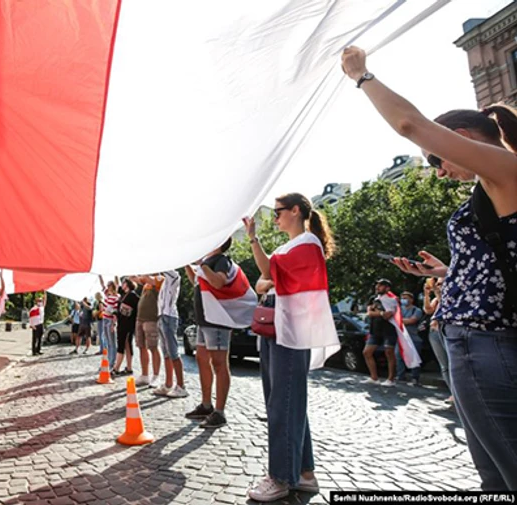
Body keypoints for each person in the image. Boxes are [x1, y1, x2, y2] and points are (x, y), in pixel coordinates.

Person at [343, 46, 516, 489]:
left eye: (436, 158)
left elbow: (410, 124)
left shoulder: (506, 169)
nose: (438, 172)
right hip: (474, 341)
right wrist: (444, 273)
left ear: (460, 136)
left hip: (486, 342)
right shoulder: (492, 183)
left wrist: (362, 76)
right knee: (493, 477)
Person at [242, 193, 339, 501]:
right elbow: (265, 276)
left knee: (282, 404)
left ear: (296, 211)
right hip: (279, 329)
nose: (276, 217)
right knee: (286, 401)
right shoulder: (292, 246)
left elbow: (269, 275)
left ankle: (281, 477)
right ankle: (305, 474)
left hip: (290, 332)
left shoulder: (308, 243)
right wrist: (257, 249)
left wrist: (264, 274)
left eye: (279, 212)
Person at [184, 237, 255, 427]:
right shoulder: (207, 264)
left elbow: (218, 282)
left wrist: (201, 265)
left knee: (219, 363)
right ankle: (206, 405)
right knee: (202, 359)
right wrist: (188, 265)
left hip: (216, 321)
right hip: (204, 321)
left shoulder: (221, 260)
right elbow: (196, 282)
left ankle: (219, 411)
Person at [364, 279, 399, 387]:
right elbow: (369, 313)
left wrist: (377, 312)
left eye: (380, 285)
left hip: (389, 330)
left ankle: (391, 379)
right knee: (367, 352)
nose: (377, 287)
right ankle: (374, 377)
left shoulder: (392, 300)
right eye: (377, 285)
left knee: (389, 352)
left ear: (387, 288)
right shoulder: (373, 299)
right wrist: (381, 313)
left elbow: (388, 315)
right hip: (375, 329)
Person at [423, 278, 452, 403]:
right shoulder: (436, 298)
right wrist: (426, 295)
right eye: (438, 284)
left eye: (441, 283)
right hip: (434, 332)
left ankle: (459, 393)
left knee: (453, 364)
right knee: (444, 366)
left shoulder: (451, 296)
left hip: (446, 332)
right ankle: (453, 392)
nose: (438, 286)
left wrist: (437, 291)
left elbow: (443, 301)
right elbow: (428, 309)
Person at [131, 275, 162, 388]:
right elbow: (137, 279)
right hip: (140, 318)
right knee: (141, 346)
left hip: (151, 319)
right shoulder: (146, 284)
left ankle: (156, 375)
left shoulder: (159, 279)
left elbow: (147, 279)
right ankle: (144, 375)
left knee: (153, 347)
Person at [157, 269, 184, 395]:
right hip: (162, 316)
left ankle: (181, 386)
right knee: (166, 354)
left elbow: (164, 268)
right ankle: (168, 384)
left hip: (169, 316)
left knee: (173, 352)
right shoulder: (165, 281)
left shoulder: (174, 276)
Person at [396, 291, 424, 386]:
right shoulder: (399, 309)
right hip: (401, 336)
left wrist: (399, 320)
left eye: (406, 298)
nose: (403, 300)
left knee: (414, 357)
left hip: (413, 337)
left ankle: (415, 378)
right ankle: (400, 376)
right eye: (402, 297)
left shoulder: (417, 310)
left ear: (411, 299)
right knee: (398, 356)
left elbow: (412, 320)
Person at [112, 279, 139, 376]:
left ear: (127, 284)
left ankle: (116, 368)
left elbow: (137, 308)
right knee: (127, 345)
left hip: (127, 324)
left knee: (122, 345)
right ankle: (129, 368)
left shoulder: (132, 295)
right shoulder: (124, 295)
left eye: (123, 283)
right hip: (122, 323)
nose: (121, 284)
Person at [99, 276, 120, 369]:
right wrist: (99, 276)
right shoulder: (108, 295)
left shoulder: (116, 297)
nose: (107, 287)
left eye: (109, 285)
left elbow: (115, 311)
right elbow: (102, 285)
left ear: (112, 286)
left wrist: (114, 324)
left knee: (112, 342)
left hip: (110, 320)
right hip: (105, 319)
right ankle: (108, 361)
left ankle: (112, 363)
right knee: (107, 342)